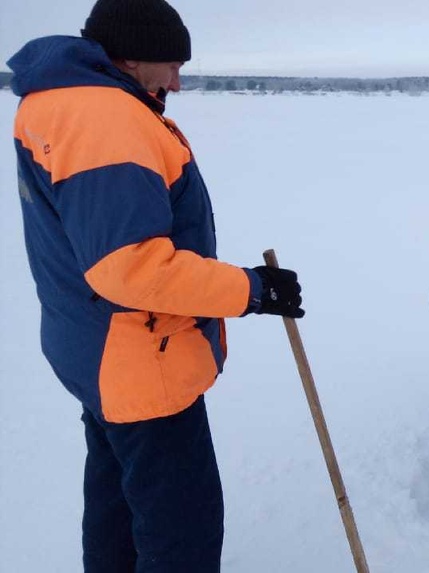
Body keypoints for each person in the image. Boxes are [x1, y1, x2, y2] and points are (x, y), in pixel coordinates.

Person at [8, 0, 305, 570]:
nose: (178, 80)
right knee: (181, 533)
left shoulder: (56, 102)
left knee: (118, 502)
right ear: (130, 56)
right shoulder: (104, 120)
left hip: (95, 347)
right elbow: (130, 267)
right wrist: (250, 290)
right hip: (141, 357)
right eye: (169, 65)